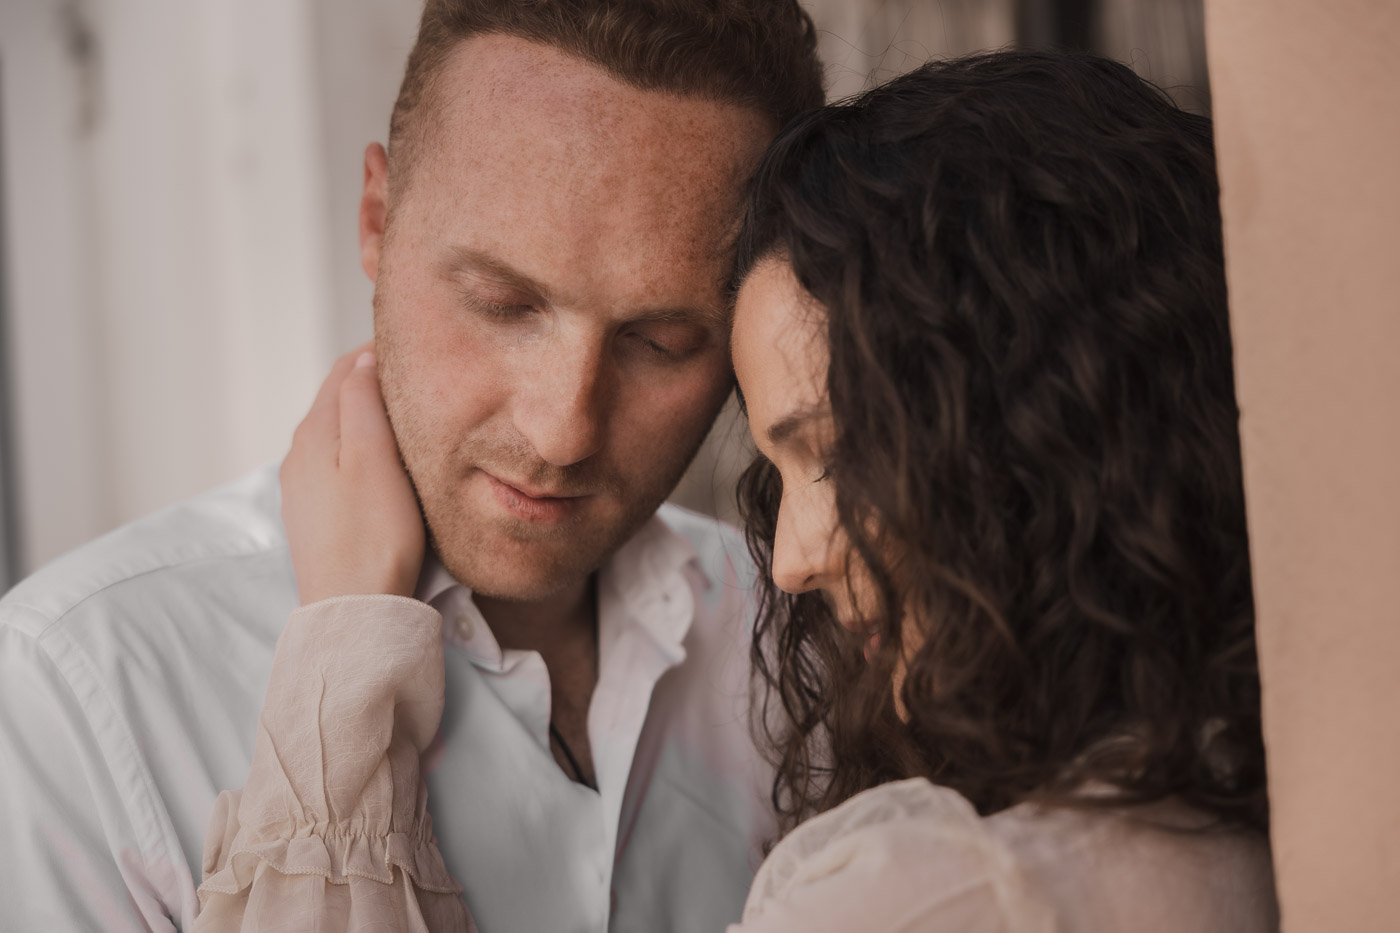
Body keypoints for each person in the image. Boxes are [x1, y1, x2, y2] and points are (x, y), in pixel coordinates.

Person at [225, 50, 1279, 931]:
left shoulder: (932, 892)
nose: (788, 558)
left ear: (1042, 427)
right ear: (375, 217)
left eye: (837, 452)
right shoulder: (1270, 806)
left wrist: (343, 648)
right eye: (501, 303)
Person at [0, 3, 824, 931]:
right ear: (377, 221)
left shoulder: (809, 636)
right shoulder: (76, 697)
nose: (562, 430)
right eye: (502, 302)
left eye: (661, 340)